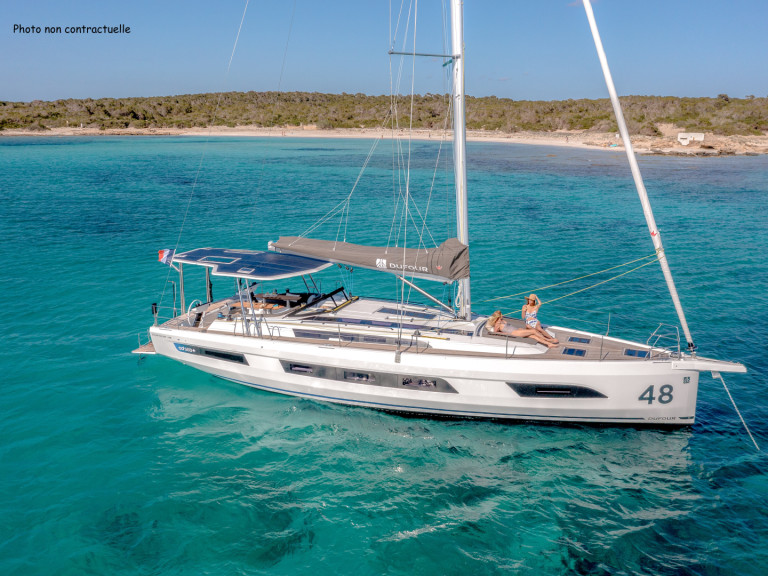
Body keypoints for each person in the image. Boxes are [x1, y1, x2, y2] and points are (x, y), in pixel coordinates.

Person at [486, 310, 557, 348]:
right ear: (498, 316)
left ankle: (548, 344)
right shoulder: (497, 324)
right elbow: (496, 333)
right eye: (501, 314)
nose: (502, 315)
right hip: (515, 333)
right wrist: (506, 334)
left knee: (534, 336)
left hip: (517, 330)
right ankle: (548, 340)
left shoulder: (502, 320)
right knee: (533, 331)